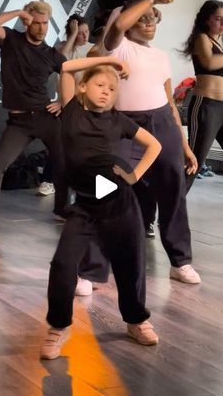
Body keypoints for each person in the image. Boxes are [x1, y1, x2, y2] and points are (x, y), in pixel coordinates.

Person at [40, 54, 162, 359]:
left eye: (112, 87)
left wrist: (133, 175)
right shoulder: (70, 111)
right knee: (63, 265)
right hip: (85, 201)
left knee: (129, 263)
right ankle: (58, 327)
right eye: (100, 84)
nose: (107, 90)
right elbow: (66, 68)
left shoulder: (118, 120)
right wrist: (109, 61)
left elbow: (154, 145)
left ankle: (136, 320)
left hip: (118, 198)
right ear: (82, 88)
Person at [102, 0, 201, 284]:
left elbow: (170, 102)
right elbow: (118, 25)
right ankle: (92, 264)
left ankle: (180, 261)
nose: (148, 23)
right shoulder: (116, 48)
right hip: (124, 126)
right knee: (106, 189)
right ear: (130, 21)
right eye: (142, 19)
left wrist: (184, 145)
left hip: (161, 122)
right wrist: (151, 1)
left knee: (173, 191)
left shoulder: (160, 56)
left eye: (152, 20)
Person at [0, 1, 68, 230]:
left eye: (45, 23)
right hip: (19, 123)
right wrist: (18, 12)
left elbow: (72, 76)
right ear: (27, 22)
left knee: (64, 159)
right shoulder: (11, 39)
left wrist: (62, 101)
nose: (41, 28)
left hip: (45, 116)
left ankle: (62, 209)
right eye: (36, 22)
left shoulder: (52, 55)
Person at [181, 0, 223, 191]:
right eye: (218, 18)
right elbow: (209, 63)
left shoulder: (219, 44)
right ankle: (172, 210)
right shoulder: (201, 38)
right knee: (195, 159)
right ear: (207, 20)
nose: (222, 23)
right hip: (206, 104)